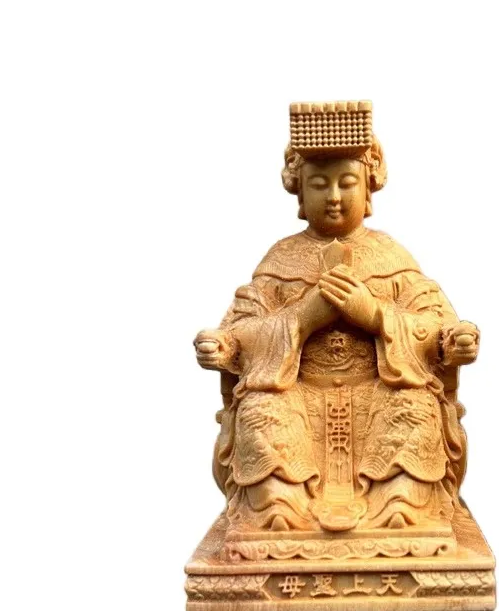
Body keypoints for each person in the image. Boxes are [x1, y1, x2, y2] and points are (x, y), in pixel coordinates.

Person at [194, 133, 479, 534]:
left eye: (346, 183)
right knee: (260, 412)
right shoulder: (281, 260)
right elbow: (240, 330)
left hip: (380, 393)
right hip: (297, 394)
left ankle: (399, 506)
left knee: (415, 408)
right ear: (299, 192)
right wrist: (294, 321)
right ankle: (280, 507)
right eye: (318, 184)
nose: (333, 196)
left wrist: (378, 316)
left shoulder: (391, 257)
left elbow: (435, 325)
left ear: (367, 188)